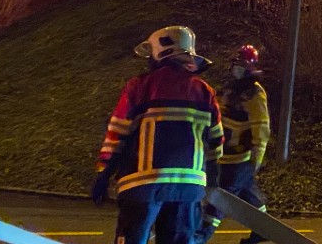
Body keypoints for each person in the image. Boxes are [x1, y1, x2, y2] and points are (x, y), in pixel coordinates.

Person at [93, 26, 224, 244]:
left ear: (157, 54)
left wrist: (104, 172)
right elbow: (216, 141)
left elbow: (118, 132)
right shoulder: (204, 91)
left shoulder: (140, 86)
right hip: (189, 187)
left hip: (143, 185)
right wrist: (212, 175)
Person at [196, 45, 272, 244]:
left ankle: (201, 235)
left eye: (240, 65)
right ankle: (263, 229)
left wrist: (258, 155)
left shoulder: (255, 93)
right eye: (235, 64)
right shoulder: (229, 89)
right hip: (224, 155)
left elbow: (261, 127)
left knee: (221, 199)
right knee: (247, 194)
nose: (236, 68)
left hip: (239, 158)